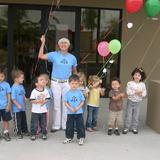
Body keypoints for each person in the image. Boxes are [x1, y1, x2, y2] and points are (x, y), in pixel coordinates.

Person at [38, 35, 77, 132]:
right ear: (59, 45)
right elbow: (40, 56)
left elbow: (74, 71)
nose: (63, 44)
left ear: (68, 45)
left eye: (65, 43)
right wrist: (43, 43)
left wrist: (76, 83)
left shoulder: (72, 57)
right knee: (56, 105)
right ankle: (56, 125)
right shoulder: (54, 54)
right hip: (55, 82)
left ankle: (64, 125)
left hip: (67, 83)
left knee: (66, 104)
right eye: (61, 43)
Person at [123, 68, 147, 134]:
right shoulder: (130, 83)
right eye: (136, 75)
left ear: (141, 77)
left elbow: (145, 93)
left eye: (139, 75)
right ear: (133, 75)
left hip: (138, 103)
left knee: (136, 116)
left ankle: (134, 128)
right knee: (128, 115)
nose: (137, 76)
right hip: (130, 102)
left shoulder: (142, 84)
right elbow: (128, 92)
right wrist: (135, 92)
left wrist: (141, 93)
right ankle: (126, 127)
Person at [63, 74, 85, 145]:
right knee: (69, 125)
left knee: (80, 125)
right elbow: (65, 102)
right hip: (70, 112)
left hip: (79, 112)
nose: (74, 85)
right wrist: (71, 108)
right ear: (69, 83)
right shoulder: (67, 93)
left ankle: (81, 137)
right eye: (72, 83)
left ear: (79, 84)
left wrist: (78, 108)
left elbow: (82, 101)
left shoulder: (80, 93)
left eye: (76, 83)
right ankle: (69, 137)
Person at [30, 74, 50, 140]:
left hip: (43, 111)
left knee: (43, 123)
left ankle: (44, 134)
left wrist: (44, 101)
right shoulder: (34, 91)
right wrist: (38, 101)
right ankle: (33, 134)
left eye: (44, 80)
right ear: (36, 83)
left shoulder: (46, 90)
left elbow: (48, 98)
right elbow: (32, 100)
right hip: (35, 111)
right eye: (41, 80)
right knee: (34, 124)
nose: (43, 81)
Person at [11, 69, 29, 139]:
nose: (23, 79)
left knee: (24, 119)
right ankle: (18, 132)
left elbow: (23, 93)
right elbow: (13, 98)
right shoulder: (13, 88)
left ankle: (24, 130)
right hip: (16, 109)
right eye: (22, 78)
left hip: (22, 107)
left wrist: (25, 98)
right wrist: (17, 105)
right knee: (18, 120)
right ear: (16, 79)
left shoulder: (21, 86)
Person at [0, 66, 12, 141]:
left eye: (2, 76)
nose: (0, 77)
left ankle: (6, 132)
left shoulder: (6, 85)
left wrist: (8, 105)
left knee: (5, 120)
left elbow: (8, 96)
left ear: (4, 77)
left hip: (4, 106)